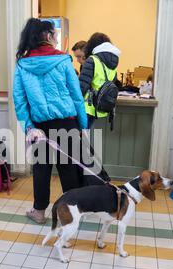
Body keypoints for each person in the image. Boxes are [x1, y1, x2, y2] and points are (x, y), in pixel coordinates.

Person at [13, 18, 88, 224]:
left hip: (39, 126)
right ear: (47, 36)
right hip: (66, 123)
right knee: (68, 169)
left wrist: (28, 126)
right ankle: (72, 213)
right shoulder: (63, 60)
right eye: (54, 34)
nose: (56, 37)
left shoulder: (23, 64)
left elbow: (20, 101)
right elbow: (76, 96)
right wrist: (82, 125)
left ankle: (39, 212)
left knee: (41, 170)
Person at [79, 33, 120, 130]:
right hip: (100, 107)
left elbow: (82, 87)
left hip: (87, 108)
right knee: (86, 138)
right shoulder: (113, 64)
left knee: (77, 139)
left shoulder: (92, 60)